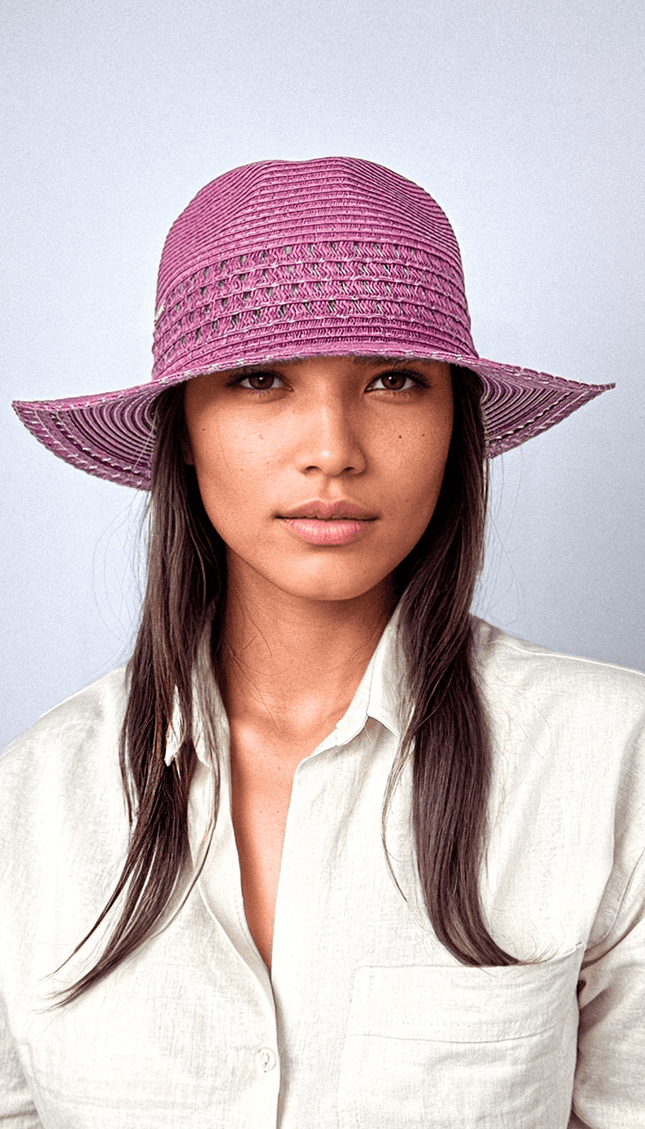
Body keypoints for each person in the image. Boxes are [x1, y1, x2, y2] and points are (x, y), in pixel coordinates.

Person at [1, 157, 643, 1128]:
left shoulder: (610, 759)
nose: (334, 446)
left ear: (453, 420)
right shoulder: (33, 805)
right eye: (261, 379)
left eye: (394, 379)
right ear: (183, 427)